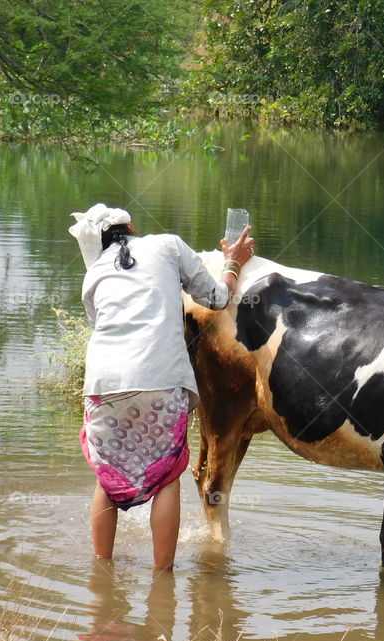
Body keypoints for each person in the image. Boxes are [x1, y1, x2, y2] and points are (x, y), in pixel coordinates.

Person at [69, 203, 254, 572]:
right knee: (167, 473)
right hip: (161, 377)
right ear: (132, 227)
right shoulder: (168, 245)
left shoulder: (94, 274)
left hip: (104, 382)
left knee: (107, 475)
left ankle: (102, 571)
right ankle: (162, 576)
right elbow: (217, 299)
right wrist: (233, 262)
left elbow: (104, 324)